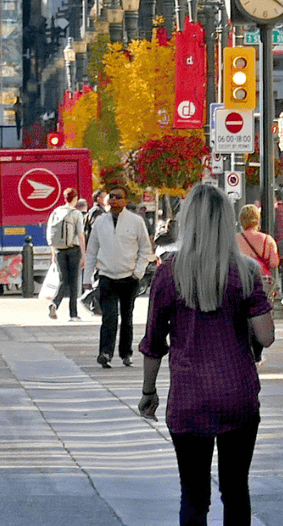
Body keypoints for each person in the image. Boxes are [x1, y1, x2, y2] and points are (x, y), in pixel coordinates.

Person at [138, 184, 274, 526]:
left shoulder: (169, 273)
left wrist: (148, 392)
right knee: (236, 490)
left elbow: (153, 342)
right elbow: (267, 336)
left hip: (189, 398)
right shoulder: (245, 272)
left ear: (190, 222)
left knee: (194, 497)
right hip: (238, 394)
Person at [83, 184, 151, 368]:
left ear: (126, 201)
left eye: (118, 197)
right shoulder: (100, 222)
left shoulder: (136, 221)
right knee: (109, 316)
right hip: (107, 276)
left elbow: (145, 248)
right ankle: (105, 353)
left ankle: (126, 353)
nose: (114, 200)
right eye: (111, 196)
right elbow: (91, 251)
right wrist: (87, 278)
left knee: (127, 317)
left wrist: (138, 272)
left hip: (129, 277)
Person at [46, 187, 86, 322]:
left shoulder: (56, 212)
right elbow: (80, 235)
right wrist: (84, 254)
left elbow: (51, 233)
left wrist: (53, 252)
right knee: (74, 282)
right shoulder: (76, 214)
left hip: (58, 250)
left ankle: (55, 303)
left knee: (63, 279)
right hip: (73, 250)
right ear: (75, 199)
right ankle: (73, 314)